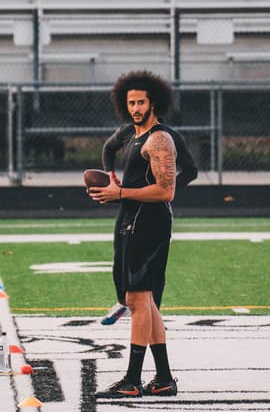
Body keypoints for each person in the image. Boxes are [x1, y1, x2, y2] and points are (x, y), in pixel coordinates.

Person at [88, 70, 180, 398]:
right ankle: (164, 378)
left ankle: (132, 380)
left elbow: (166, 191)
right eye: (131, 102)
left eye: (141, 101)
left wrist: (120, 193)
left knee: (138, 300)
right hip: (134, 221)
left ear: (153, 102)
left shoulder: (159, 139)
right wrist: (113, 189)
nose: (136, 107)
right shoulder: (135, 136)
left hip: (150, 224)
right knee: (144, 301)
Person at [99, 122, 197, 325]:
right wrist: (110, 175)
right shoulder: (128, 131)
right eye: (132, 101)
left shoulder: (168, 136)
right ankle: (122, 302)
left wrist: (166, 185)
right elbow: (108, 148)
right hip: (129, 206)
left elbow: (190, 170)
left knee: (154, 266)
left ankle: (154, 314)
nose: (136, 107)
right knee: (120, 259)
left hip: (154, 209)